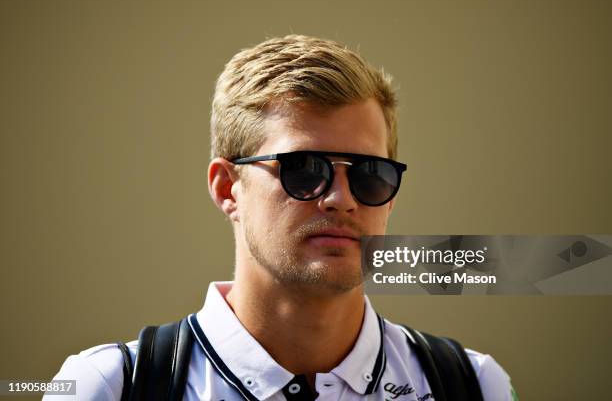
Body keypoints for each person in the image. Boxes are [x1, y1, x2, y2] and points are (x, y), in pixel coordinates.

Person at [46, 34, 516, 401]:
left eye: (371, 175)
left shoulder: (473, 385)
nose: (340, 198)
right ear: (228, 188)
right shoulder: (110, 386)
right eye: (304, 170)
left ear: (390, 197)